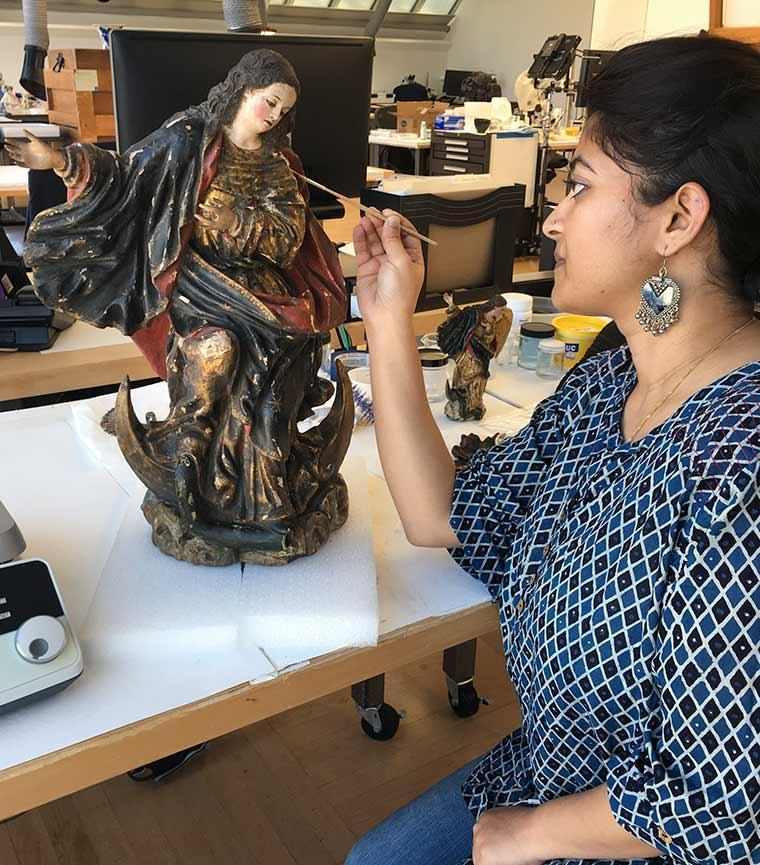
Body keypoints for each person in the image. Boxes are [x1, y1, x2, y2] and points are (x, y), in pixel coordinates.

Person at [348, 35, 759, 865]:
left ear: (679, 218)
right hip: (556, 778)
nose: (554, 217)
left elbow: (727, 805)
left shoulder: (738, 465)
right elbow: (443, 514)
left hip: (632, 836)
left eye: (578, 187)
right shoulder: (606, 388)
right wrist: (391, 316)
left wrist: (531, 833)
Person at [4, 49, 351, 564]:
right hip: (197, 283)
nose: (275, 115)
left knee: (288, 347)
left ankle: (265, 483)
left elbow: (285, 238)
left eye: (283, 108)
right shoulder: (189, 140)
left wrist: (236, 220)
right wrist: (61, 160)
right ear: (243, 91)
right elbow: (125, 175)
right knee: (218, 350)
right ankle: (192, 448)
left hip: (264, 287)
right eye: (269, 102)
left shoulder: (283, 166)